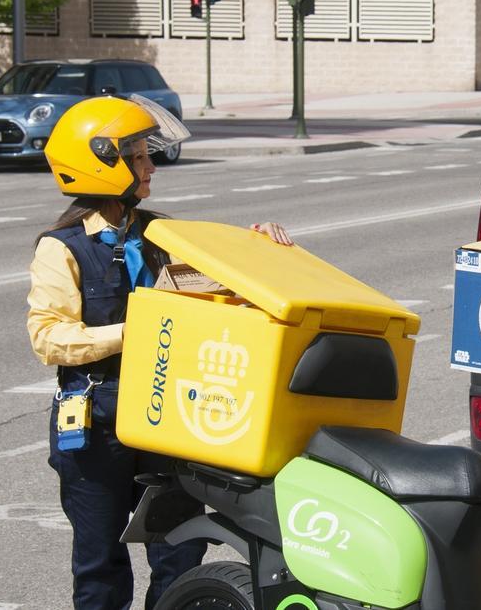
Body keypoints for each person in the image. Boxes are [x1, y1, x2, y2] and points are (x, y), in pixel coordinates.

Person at [27, 95, 291, 609]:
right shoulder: (60, 247)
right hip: (97, 417)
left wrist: (262, 247)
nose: (151, 167)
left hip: (166, 412)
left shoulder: (162, 234)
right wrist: (136, 331)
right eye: (139, 157)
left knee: (182, 546)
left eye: (149, 155)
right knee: (99, 560)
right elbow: (49, 337)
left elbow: (223, 285)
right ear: (100, 161)